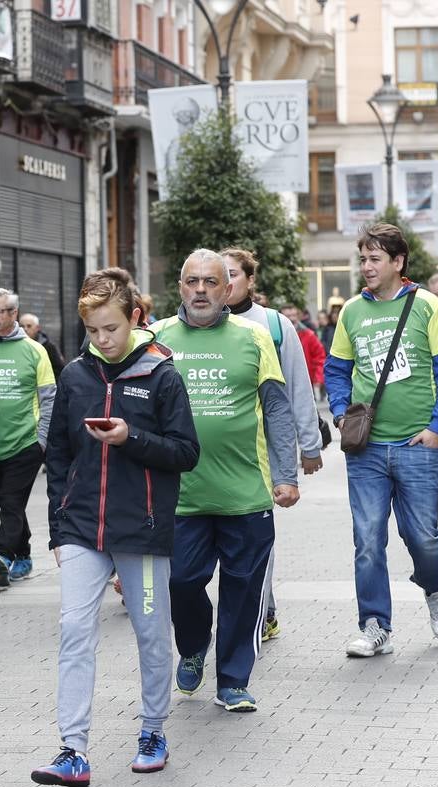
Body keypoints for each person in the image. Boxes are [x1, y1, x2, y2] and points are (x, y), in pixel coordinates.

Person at [31, 268, 200, 787]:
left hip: (143, 532)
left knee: (151, 634)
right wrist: (59, 527)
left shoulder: (162, 375)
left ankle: (152, 730)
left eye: (111, 328)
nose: (102, 340)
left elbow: (186, 453)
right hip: (83, 529)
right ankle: (72, 749)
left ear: (135, 318)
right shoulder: (76, 375)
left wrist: (132, 438)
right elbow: (57, 454)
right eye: (93, 331)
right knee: (75, 631)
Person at [153, 249, 299, 712]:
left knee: (244, 591)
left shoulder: (254, 338)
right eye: (192, 281)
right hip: (180, 497)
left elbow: (276, 407)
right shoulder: (156, 339)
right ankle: (194, 645)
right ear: (180, 287)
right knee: (181, 582)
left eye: (211, 282)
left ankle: (233, 680)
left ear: (228, 288)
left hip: (245, 493)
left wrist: (287, 474)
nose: (200, 290)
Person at [326, 224, 438, 657]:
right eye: (362, 259)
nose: (366, 267)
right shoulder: (351, 311)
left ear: (398, 262)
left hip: (416, 446)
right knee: (367, 538)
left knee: (422, 536)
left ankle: (435, 590)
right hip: (365, 450)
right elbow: (336, 369)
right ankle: (375, 626)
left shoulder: (426, 306)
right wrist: (340, 411)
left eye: (374, 259)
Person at [219, 248, 321, 645]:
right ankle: (263, 606)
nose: (224, 284)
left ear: (249, 280)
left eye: (232, 275)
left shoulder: (274, 326)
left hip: (259, 451)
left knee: (256, 536)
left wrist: (308, 447)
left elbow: (296, 388)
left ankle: (262, 613)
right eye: (216, 275)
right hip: (209, 457)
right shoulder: (190, 327)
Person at [0, 289, 56, 586]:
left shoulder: (35, 350)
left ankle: (1, 557)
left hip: (25, 445)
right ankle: (23, 555)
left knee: (12, 502)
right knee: (8, 505)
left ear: (14, 314)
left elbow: (49, 398)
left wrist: (42, 442)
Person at [281, 301, 328, 393]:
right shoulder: (275, 335)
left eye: (294, 316)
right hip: (283, 384)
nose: (291, 319)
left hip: (305, 384)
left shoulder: (309, 335)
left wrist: (317, 379)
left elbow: (319, 357)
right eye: (288, 316)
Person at [20, 312, 67, 380]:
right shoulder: (14, 345)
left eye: (29, 326)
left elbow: (59, 370)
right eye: (22, 326)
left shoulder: (48, 347)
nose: (25, 329)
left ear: (37, 328)